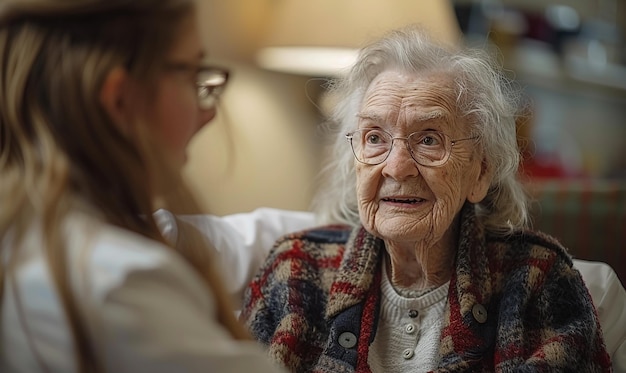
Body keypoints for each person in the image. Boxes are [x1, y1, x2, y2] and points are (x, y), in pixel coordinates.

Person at [238, 25, 613, 372]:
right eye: (374, 138)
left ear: (480, 172)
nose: (396, 168)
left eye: (429, 139)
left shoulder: (538, 284)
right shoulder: (294, 272)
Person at [0, 1, 286, 372]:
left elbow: (224, 241)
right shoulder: (121, 286)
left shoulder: (22, 232)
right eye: (192, 74)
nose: (209, 111)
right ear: (120, 99)